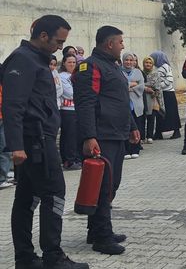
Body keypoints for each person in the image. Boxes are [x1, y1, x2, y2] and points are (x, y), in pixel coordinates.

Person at [2, 15, 89, 268]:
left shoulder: (36, 60)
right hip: (35, 142)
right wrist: (16, 145)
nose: (61, 47)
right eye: (58, 41)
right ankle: (53, 256)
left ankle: (26, 258)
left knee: (28, 197)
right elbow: (13, 106)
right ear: (43, 36)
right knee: (54, 193)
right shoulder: (23, 59)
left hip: (40, 139)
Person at [74, 25, 140, 255]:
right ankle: (102, 237)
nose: (123, 46)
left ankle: (97, 230)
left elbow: (121, 100)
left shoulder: (113, 66)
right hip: (101, 136)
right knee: (102, 186)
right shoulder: (89, 66)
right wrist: (89, 136)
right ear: (109, 44)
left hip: (117, 133)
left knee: (111, 184)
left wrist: (132, 126)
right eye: (120, 42)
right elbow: (86, 103)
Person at [151, 51, 182, 140]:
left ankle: (176, 131)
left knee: (172, 113)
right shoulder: (157, 68)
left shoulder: (165, 67)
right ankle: (159, 132)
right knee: (160, 113)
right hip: (161, 94)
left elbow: (169, 80)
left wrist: (159, 86)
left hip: (168, 93)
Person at [58, 54, 82, 170]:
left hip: (77, 109)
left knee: (77, 136)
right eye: (69, 62)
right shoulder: (62, 76)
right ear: (64, 63)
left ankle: (77, 158)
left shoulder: (78, 75)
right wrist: (80, 93)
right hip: (67, 110)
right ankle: (69, 160)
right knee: (69, 136)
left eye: (74, 62)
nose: (72, 64)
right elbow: (69, 93)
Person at [122, 52, 145, 159]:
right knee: (125, 127)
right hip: (124, 104)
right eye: (126, 60)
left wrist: (129, 87)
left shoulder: (138, 72)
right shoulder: (119, 72)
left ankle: (135, 148)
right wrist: (132, 84)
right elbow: (120, 87)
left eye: (131, 60)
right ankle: (126, 150)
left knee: (137, 126)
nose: (129, 62)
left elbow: (141, 86)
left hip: (137, 104)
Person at [141, 56, 164, 144]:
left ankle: (150, 136)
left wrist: (153, 91)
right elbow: (139, 83)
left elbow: (158, 86)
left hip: (152, 98)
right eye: (146, 62)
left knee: (151, 117)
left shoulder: (156, 74)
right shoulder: (140, 73)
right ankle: (142, 136)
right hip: (142, 98)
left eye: (150, 63)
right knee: (142, 118)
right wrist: (145, 87)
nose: (148, 64)